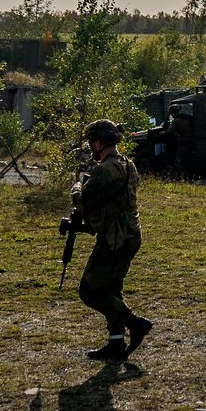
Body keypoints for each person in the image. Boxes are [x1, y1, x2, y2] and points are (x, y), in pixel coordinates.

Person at [68, 118, 152, 361]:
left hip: (115, 238)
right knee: (111, 289)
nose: (91, 146)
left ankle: (135, 323)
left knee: (90, 291)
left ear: (101, 142)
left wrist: (76, 187)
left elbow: (84, 201)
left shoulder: (106, 169)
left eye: (93, 142)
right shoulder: (127, 164)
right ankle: (116, 343)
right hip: (130, 234)